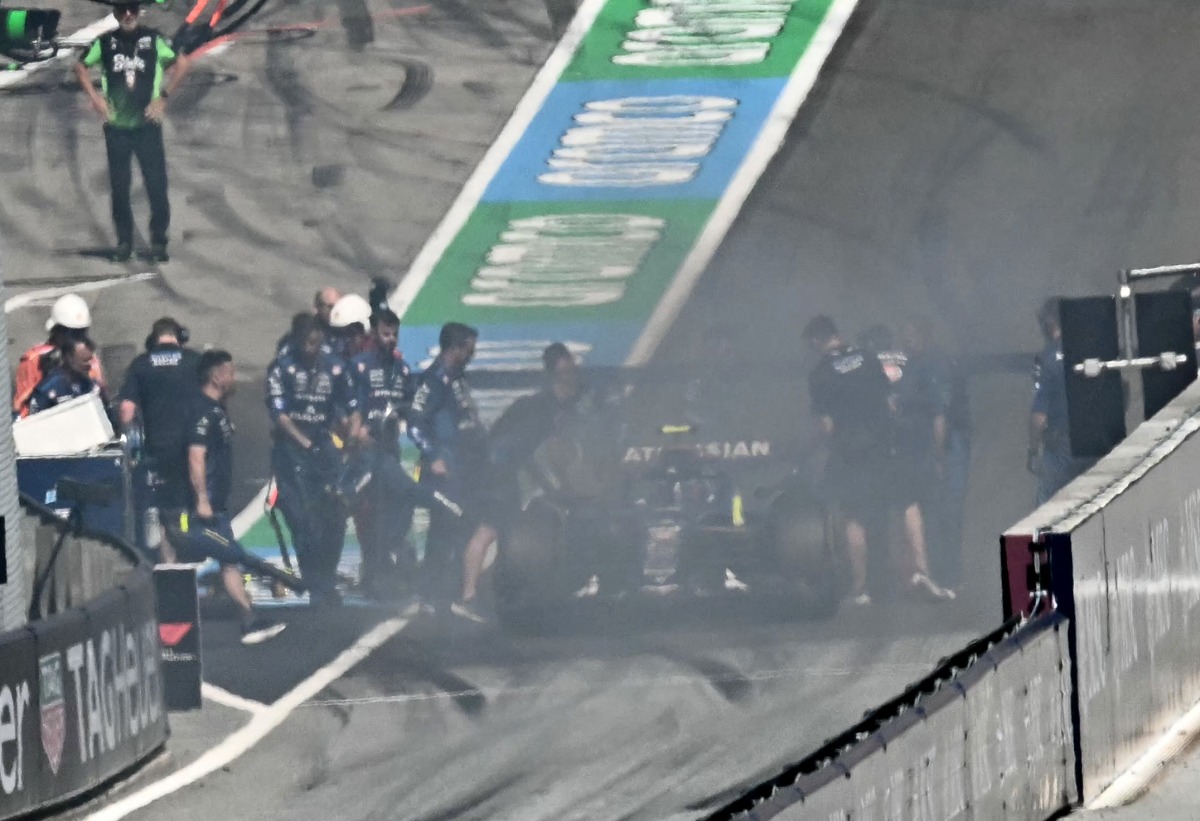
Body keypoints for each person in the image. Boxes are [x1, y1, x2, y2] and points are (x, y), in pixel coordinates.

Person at [804, 315, 953, 606]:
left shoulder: (820, 373)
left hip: (851, 454)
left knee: (855, 517)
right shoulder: (867, 357)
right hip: (886, 446)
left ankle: (860, 589)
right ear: (837, 333)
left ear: (815, 341)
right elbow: (889, 401)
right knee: (907, 503)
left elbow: (827, 426)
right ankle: (922, 572)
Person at [165, 350, 285, 644]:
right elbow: (196, 457)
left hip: (215, 504)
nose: (234, 379)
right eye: (230, 373)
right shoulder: (204, 411)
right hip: (203, 507)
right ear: (217, 377)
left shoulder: (216, 409)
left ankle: (247, 620)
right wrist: (202, 499)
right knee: (224, 556)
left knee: (222, 559)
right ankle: (242, 620)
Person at [73, 0, 191, 263]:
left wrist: (163, 97)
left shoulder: (153, 38)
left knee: (157, 186)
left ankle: (159, 241)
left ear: (138, 12)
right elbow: (80, 67)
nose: (128, 15)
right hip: (117, 128)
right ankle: (124, 242)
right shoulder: (104, 43)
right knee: (119, 188)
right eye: (122, 11)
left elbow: (182, 64)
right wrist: (95, 99)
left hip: (148, 126)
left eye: (132, 10)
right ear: (115, 14)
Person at [266, 313, 354, 606]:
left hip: (325, 447)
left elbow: (347, 407)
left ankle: (326, 578)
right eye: (304, 342)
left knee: (337, 514)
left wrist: (349, 439)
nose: (309, 348)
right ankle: (315, 583)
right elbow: (279, 415)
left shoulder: (336, 368)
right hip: (291, 451)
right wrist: (304, 442)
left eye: (315, 342)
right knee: (303, 521)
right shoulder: (282, 368)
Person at [408, 322, 488, 620]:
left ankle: (448, 593)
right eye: (469, 348)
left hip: (465, 465)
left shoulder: (459, 379)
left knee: (461, 525)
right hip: (444, 468)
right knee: (444, 528)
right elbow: (415, 423)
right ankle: (431, 595)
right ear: (455, 348)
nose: (473, 353)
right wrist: (433, 456)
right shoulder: (434, 381)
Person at [345, 309, 417, 599]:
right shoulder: (359, 366)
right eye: (385, 333)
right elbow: (346, 403)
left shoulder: (402, 370)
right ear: (374, 333)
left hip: (389, 450)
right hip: (365, 452)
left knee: (400, 499)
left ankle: (384, 559)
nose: (390, 340)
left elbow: (412, 404)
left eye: (394, 334)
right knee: (367, 512)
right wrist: (356, 431)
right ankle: (374, 571)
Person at [901, 317, 970, 590]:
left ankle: (950, 575)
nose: (907, 340)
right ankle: (941, 572)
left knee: (949, 511)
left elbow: (940, 415)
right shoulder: (914, 364)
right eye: (904, 335)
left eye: (912, 334)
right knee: (936, 510)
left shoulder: (936, 364)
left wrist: (939, 456)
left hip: (948, 447)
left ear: (925, 335)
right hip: (929, 448)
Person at [118, 318, 201, 540]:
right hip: (191, 446)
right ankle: (191, 536)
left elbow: (126, 410)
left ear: (152, 340)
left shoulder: (141, 364)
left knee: (157, 499)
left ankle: (165, 551)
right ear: (179, 337)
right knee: (193, 495)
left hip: (156, 447)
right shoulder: (194, 360)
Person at [1029, 298, 1091, 506]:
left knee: (1046, 506)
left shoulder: (1045, 359)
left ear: (1049, 324)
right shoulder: (1090, 348)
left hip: (1061, 446)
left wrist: (1032, 449)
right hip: (1094, 441)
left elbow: (1039, 417)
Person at [14, 294, 106, 417]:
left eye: (79, 333)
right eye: (71, 333)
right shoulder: (34, 359)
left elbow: (101, 396)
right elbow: (24, 409)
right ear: (57, 331)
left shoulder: (90, 360)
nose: (74, 338)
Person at [26, 338, 108, 415]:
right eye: (85, 360)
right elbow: (35, 421)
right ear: (69, 358)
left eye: (91, 359)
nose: (90, 365)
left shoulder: (91, 385)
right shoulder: (48, 389)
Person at [275, 287, 340, 358]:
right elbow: (284, 356)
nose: (336, 310)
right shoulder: (305, 330)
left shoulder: (345, 331)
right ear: (318, 306)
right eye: (331, 307)